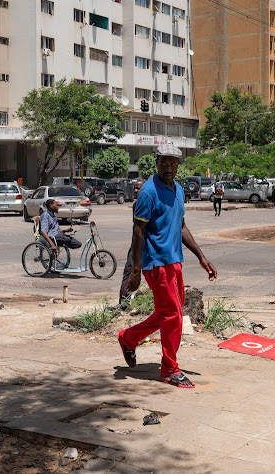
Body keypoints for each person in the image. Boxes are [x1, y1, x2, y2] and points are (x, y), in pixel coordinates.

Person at [117, 144, 217, 388]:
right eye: (164, 162)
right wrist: (136, 270)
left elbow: (181, 227)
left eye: (173, 163)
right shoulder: (149, 192)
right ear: (156, 162)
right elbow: (138, 231)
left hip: (174, 261)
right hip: (156, 263)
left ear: (179, 165)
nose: (168, 167)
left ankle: (128, 338)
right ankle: (170, 369)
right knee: (173, 314)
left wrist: (201, 257)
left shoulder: (178, 190)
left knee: (167, 312)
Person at [118, 179, 145, 304]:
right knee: (128, 273)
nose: (135, 191)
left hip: (144, 245)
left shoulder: (145, 203)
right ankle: (123, 302)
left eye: (138, 188)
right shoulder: (136, 204)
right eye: (134, 188)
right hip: (138, 244)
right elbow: (136, 228)